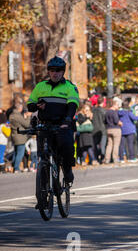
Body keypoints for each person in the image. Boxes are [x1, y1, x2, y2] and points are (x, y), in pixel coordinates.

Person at [26, 56, 79, 188]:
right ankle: (43, 194)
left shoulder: (69, 87)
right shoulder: (40, 86)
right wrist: (37, 105)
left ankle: (67, 171)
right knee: (43, 158)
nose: (55, 73)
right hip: (45, 125)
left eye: (58, 70)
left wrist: (67, 120)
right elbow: (30, 105)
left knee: (66, 148)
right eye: (52, 70)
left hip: (63, 124)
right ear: (48, 72)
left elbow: (73, 105)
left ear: (63, 72)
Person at [9, 102, 32, 173]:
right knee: (20, 153)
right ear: (19, 108)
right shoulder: (18, 116)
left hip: (14, 135)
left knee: (16, 153)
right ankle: (16, 168)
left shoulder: (12, 115)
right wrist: (28, 117)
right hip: (20, 137)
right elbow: (27, 124)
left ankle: (14, 167)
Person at [104, 98, 122, 164]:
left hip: (108, 129)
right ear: (115, 105)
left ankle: (107, 159)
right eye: (118, 106)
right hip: (116, 129)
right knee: (116, 145)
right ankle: (115, 158)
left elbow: (105, 121)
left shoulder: (107, 112)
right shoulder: (114, 112)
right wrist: (120, 123)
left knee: (109, 145)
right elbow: (116, 121)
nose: (118, 107)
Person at [91, 95, 107, 164]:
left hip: (94, 129)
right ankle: (102, 158)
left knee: (96, 145)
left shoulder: (93, 110)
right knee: (102, 145)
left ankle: (97, 158)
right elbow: (105, 120)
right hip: (102, 130)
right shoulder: (103, 110)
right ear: (103, 102)